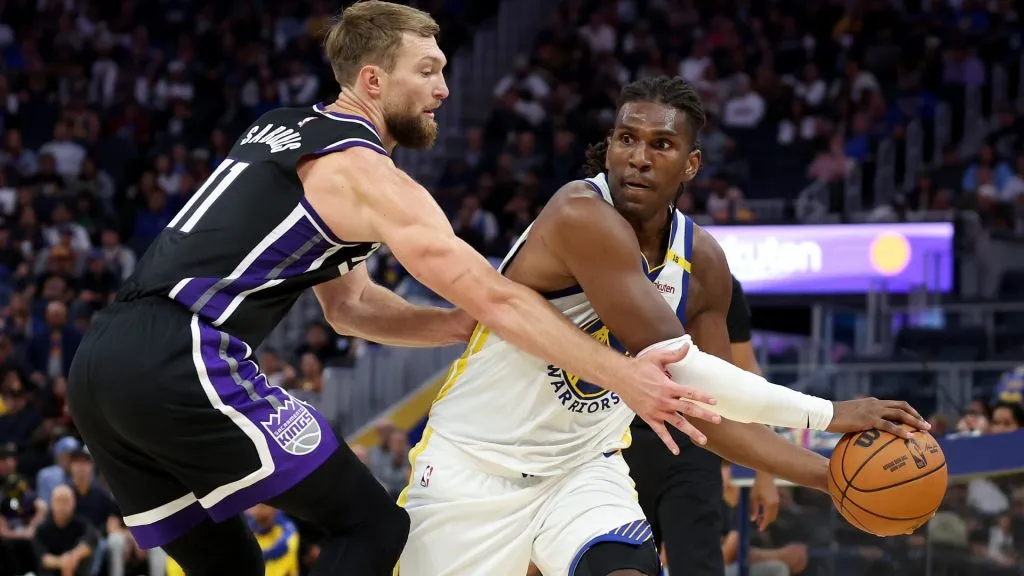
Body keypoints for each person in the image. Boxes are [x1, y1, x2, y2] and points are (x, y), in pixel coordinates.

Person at [66, 4, 716, 576]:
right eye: (427, 71)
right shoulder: (367, 174)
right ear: (373, 81)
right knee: (372, 527)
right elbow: (496, 295)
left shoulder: (284, 127)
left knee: (231, 563)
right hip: (182, 355)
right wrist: (621, 375)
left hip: (99, 367)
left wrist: (455, 327)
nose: (443, 88)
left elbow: (351, 308)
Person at [397, 76, 929, 576]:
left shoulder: (704, 264)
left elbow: (713, 411)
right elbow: (686, 372)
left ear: (691, 164)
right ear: (608, 146)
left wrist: (835, 480)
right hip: (474, 466)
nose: (639, 159)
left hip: (581, 470)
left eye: (661, 145)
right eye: (626, 139)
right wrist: (831, 414)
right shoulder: (579, 214)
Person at [625, 275, 779, 575]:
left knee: (698, 566)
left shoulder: (715, 279)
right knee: (623, 563)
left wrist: (765, 471)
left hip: (694, 440)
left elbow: (747, 372)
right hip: (619, 441)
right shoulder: (613, 266)